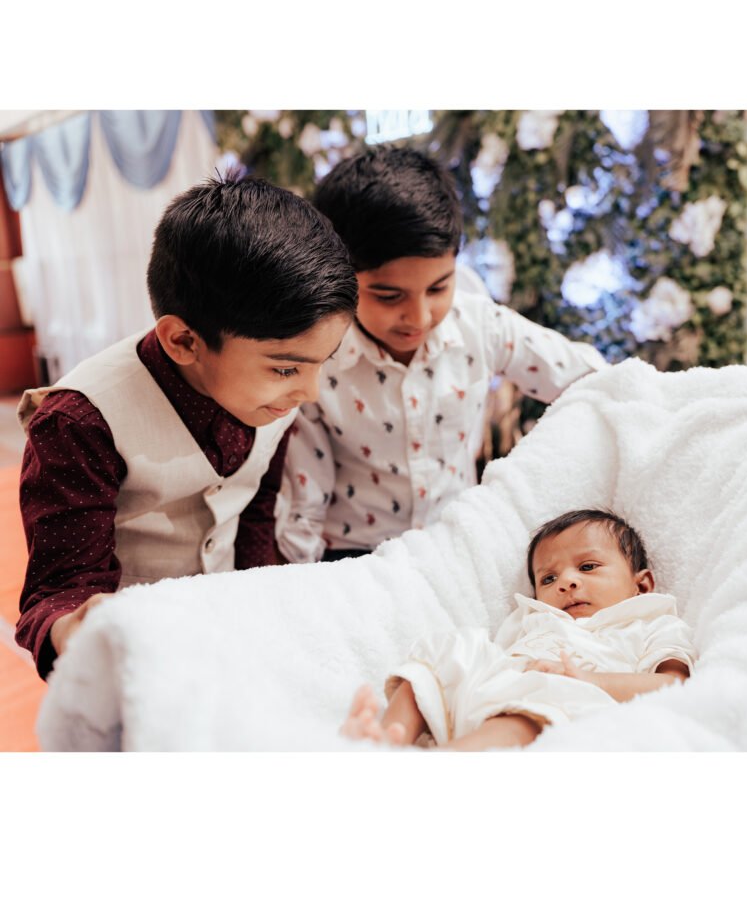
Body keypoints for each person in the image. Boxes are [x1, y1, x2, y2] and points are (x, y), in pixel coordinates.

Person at [16, 175, 357, 679]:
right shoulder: (79, 422)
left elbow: (256, 518)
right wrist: (75, 626)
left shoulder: (274, 400)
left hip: (230, 645)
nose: (309, 393)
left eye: (322, 361)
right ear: (182, 340)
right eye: (286, 368)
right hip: (133, 669)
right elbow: (60, 589)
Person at [277, 147, 607, 564]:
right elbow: (305, 503)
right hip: (355, 558)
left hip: (458, 547)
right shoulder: (319, 358)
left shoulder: (480, 325)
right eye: (388, 295)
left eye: (438, 288)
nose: (418, 316)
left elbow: (592, 379)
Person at [341, 509, 696, 751]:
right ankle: (388, 740)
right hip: (492, 693)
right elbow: (492, 660)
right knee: (449, 649)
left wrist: (593, 680)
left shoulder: (650, 620)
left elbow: (673, 685)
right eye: (549, 578)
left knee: (542, 696)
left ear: (643, 585)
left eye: (587, 567)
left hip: (568, 709)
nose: (566, 583)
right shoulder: (536, 618)